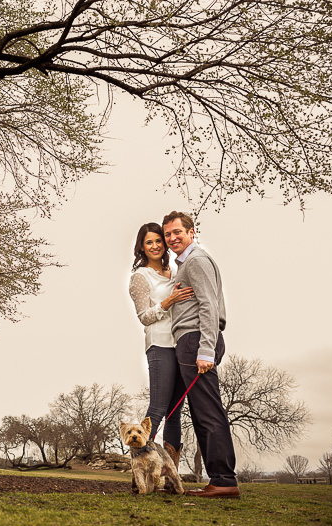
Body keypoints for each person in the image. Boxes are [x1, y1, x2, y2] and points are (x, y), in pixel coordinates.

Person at [162, 211, 240, 498]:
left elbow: (209, 305)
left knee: (207, 413)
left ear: (191, 232)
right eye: (168, 234)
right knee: (200, 412)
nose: (172, 238)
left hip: (196, 340)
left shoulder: (196, 260)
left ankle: (223, 480)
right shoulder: (187, 262)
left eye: (177, 232)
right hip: (191, 341)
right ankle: (219, 479)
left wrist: (205, 349)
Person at [128, 223, 193, 459]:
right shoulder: (140, 277)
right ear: (142, 248)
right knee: (157, 409)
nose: (155, 246)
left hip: (182, 344)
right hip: (159, 346)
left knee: (175, 412)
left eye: (158, 241)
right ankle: (141, 468)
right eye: (149, 242)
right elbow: (144, 317)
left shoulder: (177, 271)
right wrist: (169, 301)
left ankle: (169, 473)